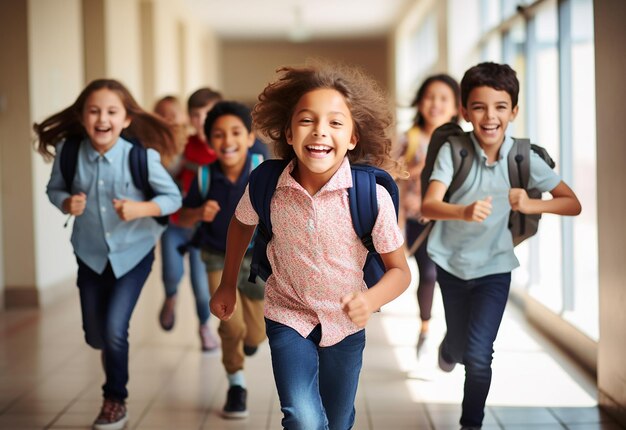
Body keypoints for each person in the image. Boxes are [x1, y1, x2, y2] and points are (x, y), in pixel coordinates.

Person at [210, 63, 412, 429]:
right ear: (288, 132)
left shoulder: (370, 197)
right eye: (307, 120)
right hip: (288, 314)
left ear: (353, 137)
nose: (320, 131)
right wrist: (227, 283)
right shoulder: (267, 185)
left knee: (336, 420)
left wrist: (370, 300)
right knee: (302, 419)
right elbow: (241, 224)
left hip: (345, 324)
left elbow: (400, 272)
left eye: (336, 123)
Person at [421, 62, 582, 430]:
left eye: (500, 107)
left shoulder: (523, 157)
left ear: (514, 111)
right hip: (451, 262)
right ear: (464, 111)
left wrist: (530, 203)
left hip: (495, 267)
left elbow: (571, 203)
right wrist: (462, 211)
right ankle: (448, 348)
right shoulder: (454, 151)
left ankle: (470, 424)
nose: (489, 116)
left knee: (479, 356)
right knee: (460, 349)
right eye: (478, 107)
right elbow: (429, 205)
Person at [34, 79, 182, 430]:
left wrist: (142, 208)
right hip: (90, 254)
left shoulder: (140, 156)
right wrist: (65, 202)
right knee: (95, 335)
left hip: (134, 253)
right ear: (83, 117)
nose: (103, 118)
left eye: (112, 111)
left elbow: (173, 198)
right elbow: (53, 188)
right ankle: (108, 362)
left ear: (126, 119)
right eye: (95, 111)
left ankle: (115, 399)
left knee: (116, 328)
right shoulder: (70, 152)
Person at [178, 100, 266, 419]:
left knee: (256, 333)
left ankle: (252, 342)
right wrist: (198, 213)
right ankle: (236, 384)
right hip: (216, 256)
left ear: (250, 136)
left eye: (235, 133)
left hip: (257, 259)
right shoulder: (203, 176)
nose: (227, 141)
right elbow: (181, 219)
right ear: (208, 140)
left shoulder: (263, 169)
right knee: (231, 325)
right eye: (218, 134)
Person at [397, 74, 461, 358]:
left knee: (455, 279)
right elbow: (392, 183)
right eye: (430, 97)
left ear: (457, 106)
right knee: (429, 274)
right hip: (419, 221)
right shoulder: (409, 139)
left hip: (455, 221)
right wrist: (396, 224)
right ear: (420, 103)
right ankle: (425, 327)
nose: (435, 104)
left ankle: (453, 333)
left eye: (443, 98)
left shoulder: (462, 142)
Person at [157, 88, 222, 352]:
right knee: (172, 273)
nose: (202, 120)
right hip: (175, 223)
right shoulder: (185, 144)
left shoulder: (225, 148)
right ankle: (170, 297)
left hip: (203, 231)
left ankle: (204, 328)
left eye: (208, 114)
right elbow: (166, 171)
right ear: (189, 118)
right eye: (196, 115)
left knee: (200, 284)